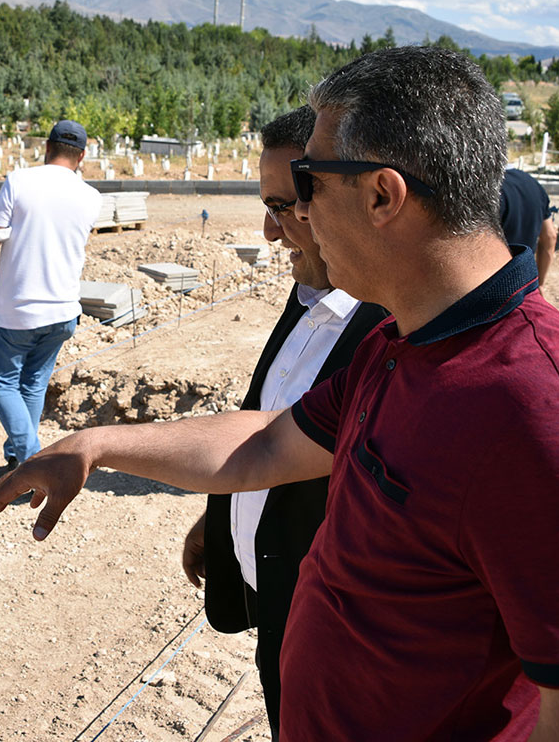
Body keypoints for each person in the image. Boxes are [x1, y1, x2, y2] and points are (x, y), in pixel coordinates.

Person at [0, 46, 559, 740]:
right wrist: (95, 446)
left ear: (382, 195)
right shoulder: (401, 343)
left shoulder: (550, 417)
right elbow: (269, 444)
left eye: (308, 185)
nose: (290, 219)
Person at [180, 105, 387, 739]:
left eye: (282, 206)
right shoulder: (311, 301)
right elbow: (275, 426)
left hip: (336, 637)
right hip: (277, 602)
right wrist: (223, 518)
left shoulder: (388, 332)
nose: (271, 233)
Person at [0, 120, 101, 469]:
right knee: (33, 385)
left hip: (17, 312)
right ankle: (16, 457)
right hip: (64, 312)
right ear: (81, 156)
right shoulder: (91, 197)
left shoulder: (20, 181)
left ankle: (34, 464)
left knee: (2, 382)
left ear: (47, 147)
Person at [500, 167, 558, 286]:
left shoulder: (490, 189)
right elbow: (550, 236)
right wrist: (539, 283)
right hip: (524, 280)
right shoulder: (532, 183)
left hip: (495, 284)